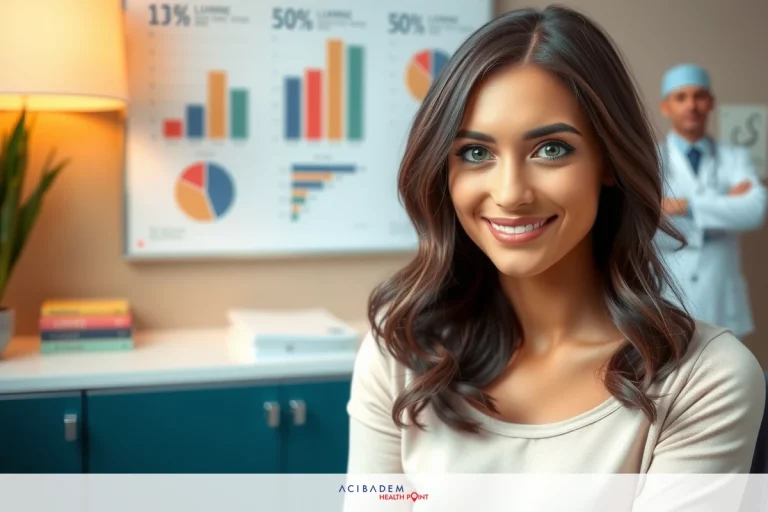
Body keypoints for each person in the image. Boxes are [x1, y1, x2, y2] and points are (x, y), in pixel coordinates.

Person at [345, 5, 765, 480]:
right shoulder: (400, 355)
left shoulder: (707, 379)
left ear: (609, 161)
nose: (510, 194)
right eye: (476, 152)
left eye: (551, 149)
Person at [656, 63, 767, 339]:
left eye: (699, 96)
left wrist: (684, 206)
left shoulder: (735, 157)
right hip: (668, 294)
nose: (691, 105)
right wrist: (724, 203)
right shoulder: (650, 160)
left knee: (726, 364)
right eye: (681, 97)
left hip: (721, 297)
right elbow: (646, 223)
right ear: (666, 107)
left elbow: (754, 211)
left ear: (711, 102)